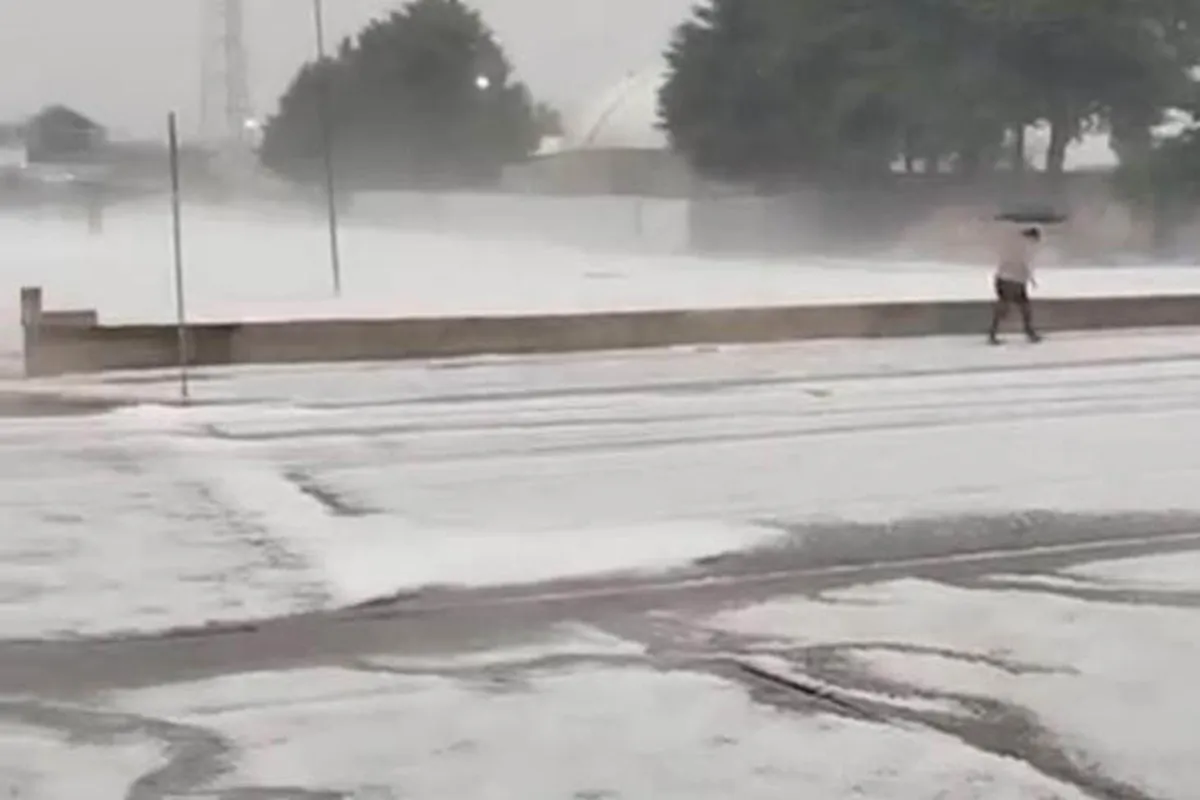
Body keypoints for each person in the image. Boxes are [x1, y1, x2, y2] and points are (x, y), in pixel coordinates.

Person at [988, 225, 1042, 345]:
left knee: (1008, 307)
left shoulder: (1014, 243)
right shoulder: (1025, 248)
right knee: (1022, 307)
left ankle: (993, 333)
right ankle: (1028, 332)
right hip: (1013, 281)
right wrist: (1031, 279)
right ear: (1032, 237)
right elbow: (1023, 264)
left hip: (1004, 279)